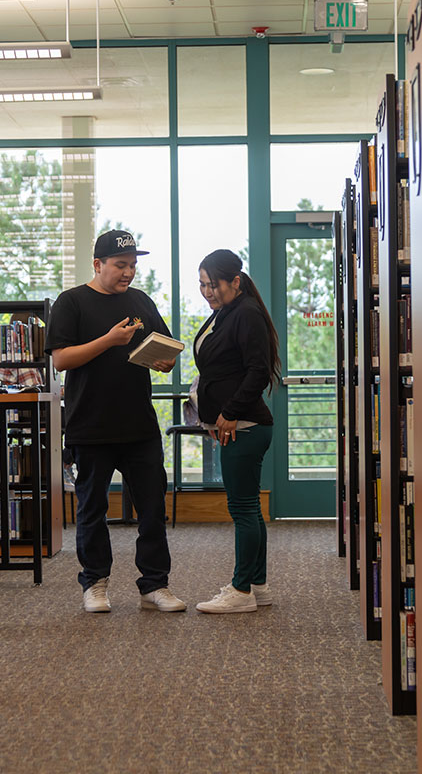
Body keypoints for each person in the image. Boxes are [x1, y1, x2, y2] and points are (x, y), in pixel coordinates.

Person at [45, 229, 186, 613]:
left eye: (133, 266)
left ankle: (154, 585)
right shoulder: (71, 302)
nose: (128, 273)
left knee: (152, 507)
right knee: (92, 509)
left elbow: (166, 349)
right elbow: (60, 360)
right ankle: (95, 582)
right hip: (89, 425)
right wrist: (108, 340)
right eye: (120, 265)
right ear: (98, 264)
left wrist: (164, 360)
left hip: (138, 424)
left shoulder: (140, 300)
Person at [191, 249, 280, 614]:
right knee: (249, 510)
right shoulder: (227, 313)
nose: (207, 292)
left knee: (242, 510)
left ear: (235, 282)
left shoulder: (245, 313)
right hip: (236, 426)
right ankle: (258, 585)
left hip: (244, 426)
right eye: (202, 285)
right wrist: (215, 417)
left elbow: (257, 371)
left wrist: (227, 413)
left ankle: (240, 591)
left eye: (213, 285)